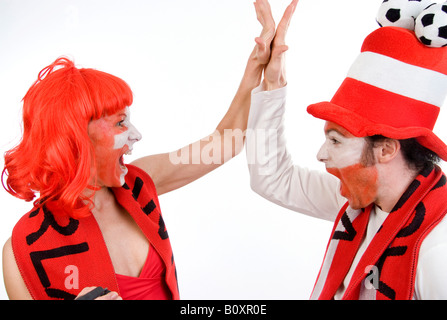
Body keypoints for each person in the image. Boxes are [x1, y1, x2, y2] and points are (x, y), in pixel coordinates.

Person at [1, 0, 298, 300]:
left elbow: (225, 143)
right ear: (77, 138)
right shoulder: (21, 251)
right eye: (120, 123)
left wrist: (256, 66)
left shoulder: (140, 182)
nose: (136, 135)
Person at [246, 1, 447, 299]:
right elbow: (272, 179)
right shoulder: (359, 202)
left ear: (386, 149)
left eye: (336, 140)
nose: (321, 154)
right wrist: (272, 83)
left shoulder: (437, 251)